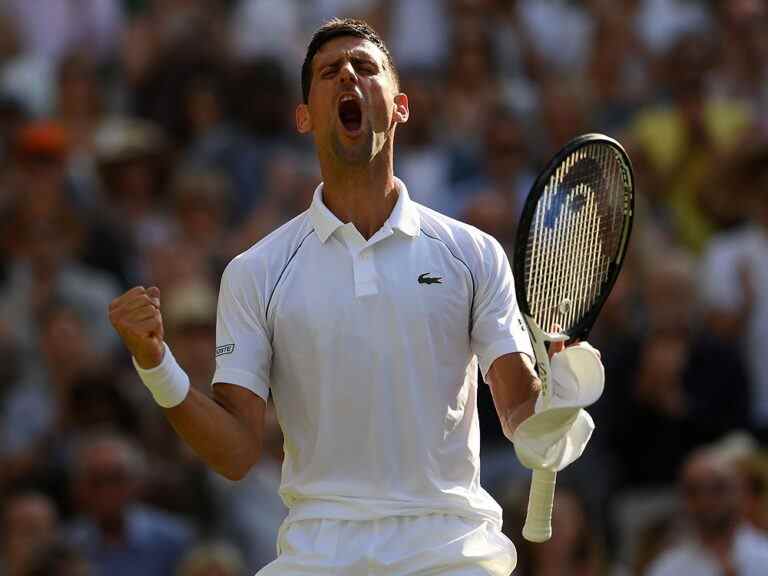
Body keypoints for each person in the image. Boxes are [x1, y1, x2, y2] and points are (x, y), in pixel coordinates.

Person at [108, 18, 599, 575]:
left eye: (365, 67)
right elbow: (237, 452)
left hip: (450, 552)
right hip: (318, 555)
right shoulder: (255, 271)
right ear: (304, 116)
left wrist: (559, 404)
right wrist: (156, 365)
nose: (348, 74)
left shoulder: (474, 254)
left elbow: (519, 411)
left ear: (400, 106)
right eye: (328, 71)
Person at [645, 444, 768, 576]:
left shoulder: (764, 554)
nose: (706, 500)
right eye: (693, 491)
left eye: (718, 488)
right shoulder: (668, 567)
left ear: (740, 491)